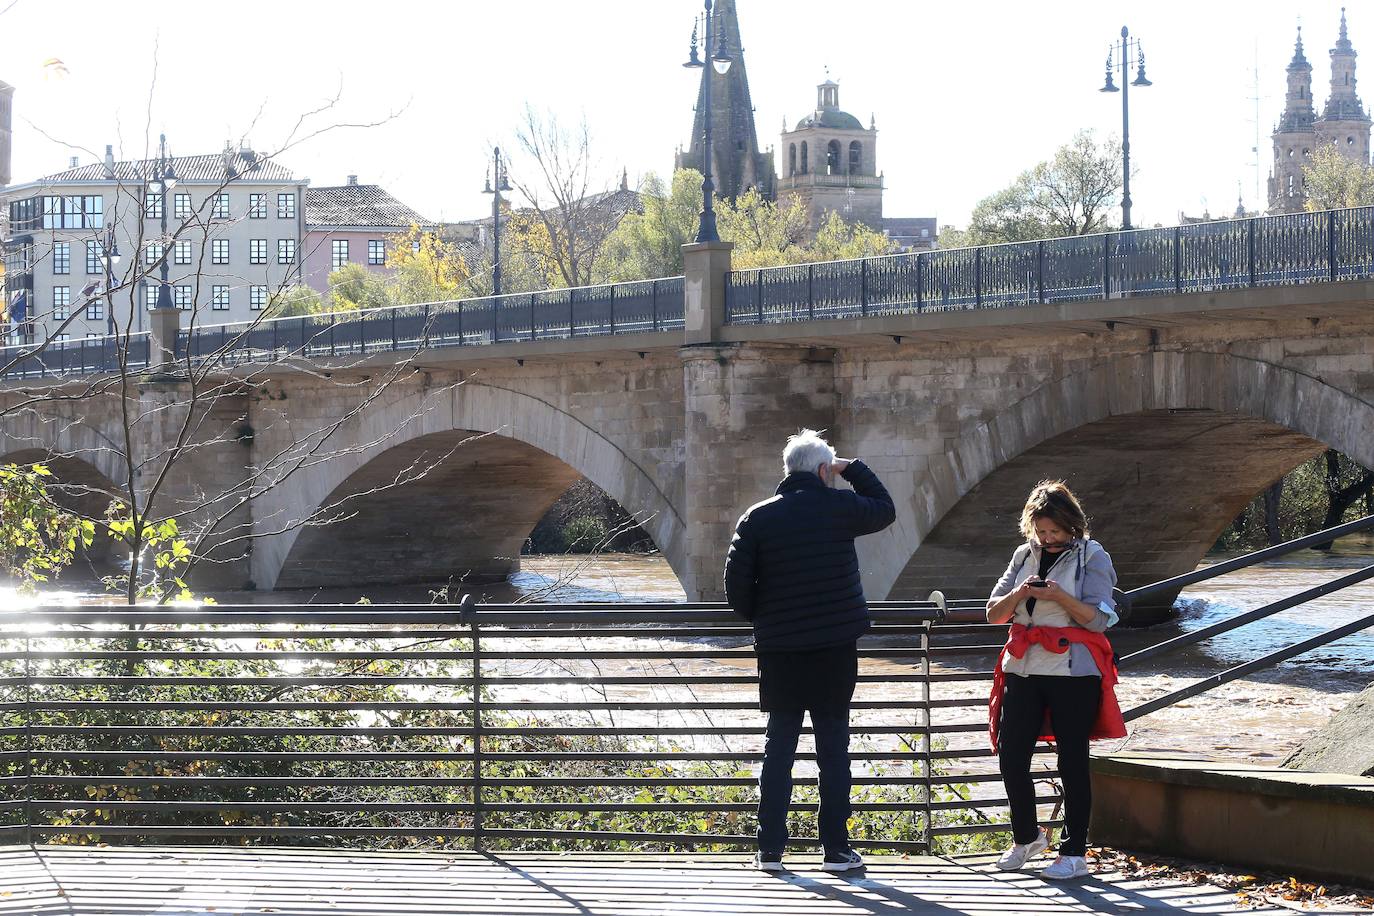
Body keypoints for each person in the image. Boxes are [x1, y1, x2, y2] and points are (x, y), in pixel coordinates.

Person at [724, 429, 896, 873]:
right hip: (834, 649)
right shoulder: (839, 507)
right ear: (823, 470)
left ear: (787, 471)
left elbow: (736, 590)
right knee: (833, 747)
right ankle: (836, 850)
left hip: (780, 650)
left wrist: (767, 620)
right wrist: (851, 468)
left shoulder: (757, 518)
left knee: (779, 746)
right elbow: (885, 509)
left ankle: (770, 851)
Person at [986, 480, 1125, 880]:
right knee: (1011, 755)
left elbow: (1099, 619)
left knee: (1072, 761)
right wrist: (1020, 595)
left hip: (1073, 672)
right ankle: (1027, 837)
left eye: (1055, 533)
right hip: (1022, 668)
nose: (1047, 540)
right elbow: (993, 613)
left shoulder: (1093, 556)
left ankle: (1074, 853)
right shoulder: (1021, 555)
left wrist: (1061, 598)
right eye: (1041, 532)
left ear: (1072, 528)